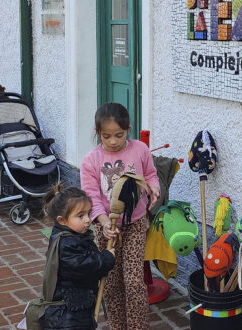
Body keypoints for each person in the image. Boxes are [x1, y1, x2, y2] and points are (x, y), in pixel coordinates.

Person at [80, 103, 160, 330]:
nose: (113, 141)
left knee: (134, 281)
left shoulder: (140, 150)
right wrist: (104, 222)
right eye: (106, 136)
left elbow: (151, 175)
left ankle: (137, 327)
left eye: (119, 135)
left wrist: (154, 188)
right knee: (112, 282)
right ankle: (118, 325)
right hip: (106, 228)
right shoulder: (91, 160)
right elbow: (91, 196)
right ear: (98, 133)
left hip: (135, 223)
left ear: (129, 130)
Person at [37, 185, 116, 329]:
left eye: (88, 213)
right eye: (81, 216)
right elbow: (85, 266)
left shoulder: (75, 236)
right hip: (67, 314)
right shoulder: (67, 244)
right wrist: (106, 258)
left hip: (77, 304)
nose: (87, 220)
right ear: (62, 220)